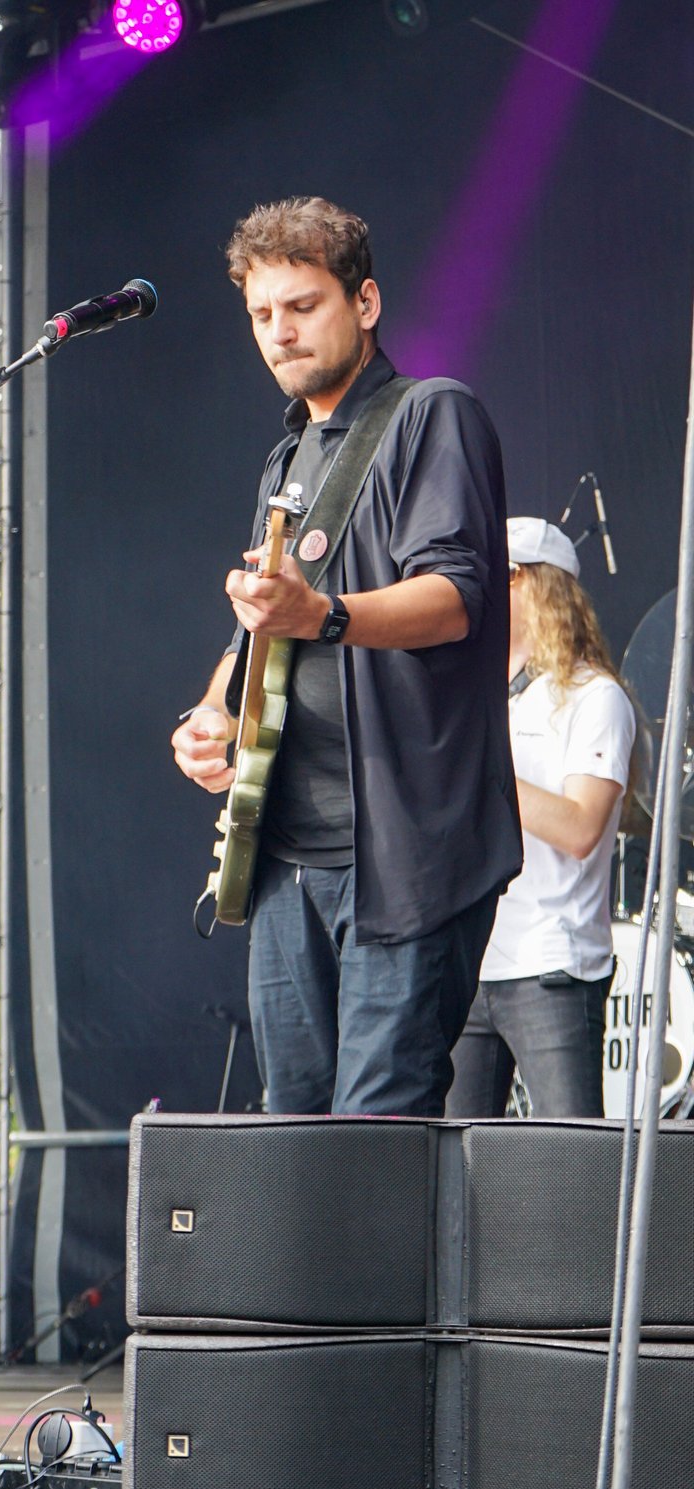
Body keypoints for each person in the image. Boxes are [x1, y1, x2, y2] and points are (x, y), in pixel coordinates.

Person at [171, 196, 522, 1117]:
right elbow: (259, 622)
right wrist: (214, 717)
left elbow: (455, 601)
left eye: (303, 306)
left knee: (379, 1137)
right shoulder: (286, 459)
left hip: (402, 856)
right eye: (261, 314)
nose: (279, 332)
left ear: (365, 303)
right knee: (294, 1138)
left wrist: (323, 614)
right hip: (284, 856)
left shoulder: (432, 415)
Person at [446, 517, 636, 1118]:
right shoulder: (477, 693)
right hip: (471, 960)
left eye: (495, 580)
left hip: (551, 966)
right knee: (452, 1158)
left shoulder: (594, 697)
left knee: (569, 1161)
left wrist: (485, 769)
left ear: (532, 584)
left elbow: (582, 828)